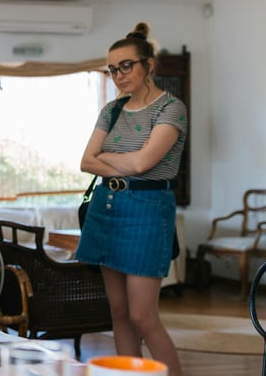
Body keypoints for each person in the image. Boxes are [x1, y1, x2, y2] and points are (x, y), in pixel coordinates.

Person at [76, 22, 184, 376]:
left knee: (142, 314)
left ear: (148, 65)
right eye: (111, 69)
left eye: (126, 66)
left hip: (148, 211)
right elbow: (85, 161)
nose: (118, 75)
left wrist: (108, 160)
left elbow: (143, 163)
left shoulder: (171, 109)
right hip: (107, 208)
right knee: (118, 313)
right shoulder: (112, 109)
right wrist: (122, 163)